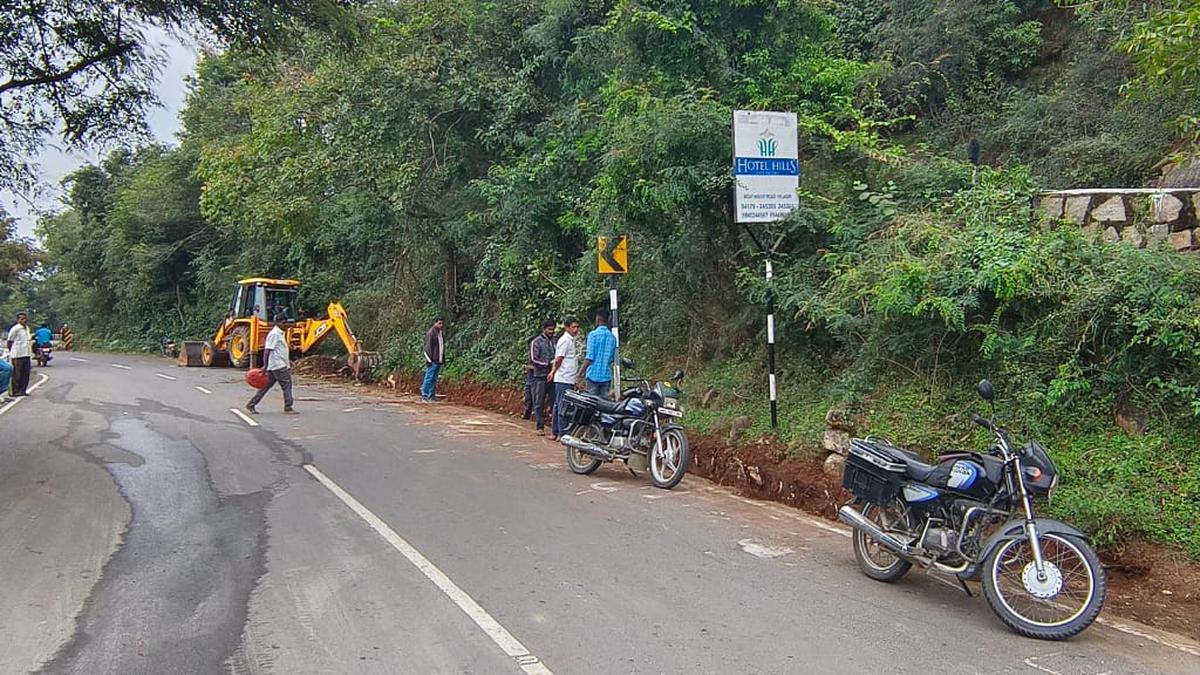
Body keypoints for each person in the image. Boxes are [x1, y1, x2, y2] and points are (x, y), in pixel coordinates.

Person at [246, 313, 297, 415]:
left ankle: (251, 404)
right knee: (287, 384)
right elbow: (267, 350)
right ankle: (288, 407)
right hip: (277, 365)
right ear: (279, 322)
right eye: (285, 323)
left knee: (265, 386)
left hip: (276, 364)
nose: (286, 325)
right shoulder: (274, 334)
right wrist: (265, 365)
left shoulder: (279, 334)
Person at [548, 315, 581, 440]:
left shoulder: (570, 340)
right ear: (567, 328)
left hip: (567, 377)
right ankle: (563, 433)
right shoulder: (565, 341)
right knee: (563, 406)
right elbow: (559, 359)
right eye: (573, 327)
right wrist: (553, 371)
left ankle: (556, 431)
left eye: (577, 327)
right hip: (564, 378)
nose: (576, 329)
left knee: (559, 404)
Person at [522, 319, 557, 435]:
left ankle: (555, 428)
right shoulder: (536, 342)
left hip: (553, 376)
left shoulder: (555, 341)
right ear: (544, 329)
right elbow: (534, 359)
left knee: (554, 402)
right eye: (549, 329)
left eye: (553, 329)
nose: (551, 331)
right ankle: (540, 426)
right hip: (539, 376)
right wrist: (547, 364)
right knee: (539, 402)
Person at [582, 309, 617, 398]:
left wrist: (579, 374)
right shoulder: (612, 338)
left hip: (593, 375)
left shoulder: (593, 335)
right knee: (604, 405)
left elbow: (589, 357)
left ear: (597, 319)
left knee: (591, 403)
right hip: (606, 376)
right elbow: (611, 359)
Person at [6, 312, 32, 397]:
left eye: (25, 319)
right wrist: (11, 351)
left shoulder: (27, 328)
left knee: (26, 373)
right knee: (17, 374)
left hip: (26, 353)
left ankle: (22, 390)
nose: (24, 320)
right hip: (17, 354)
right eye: (22, 319)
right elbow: (10, 341)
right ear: (18, 320)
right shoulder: (15, 329)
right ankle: (15, 391)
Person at [422, 317, 446, 402]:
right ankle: (425, 396)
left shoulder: (440, 333)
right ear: (435, 323)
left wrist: (442, 359)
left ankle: (431, 396)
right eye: (439, 323)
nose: (441, 325)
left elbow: (441, 347)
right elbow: (427, 348)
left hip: (438, 359)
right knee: (429, 377)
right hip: (432, 360)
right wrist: (429, 360)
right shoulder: (431, 333)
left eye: (442, 323)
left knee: (434, 378)